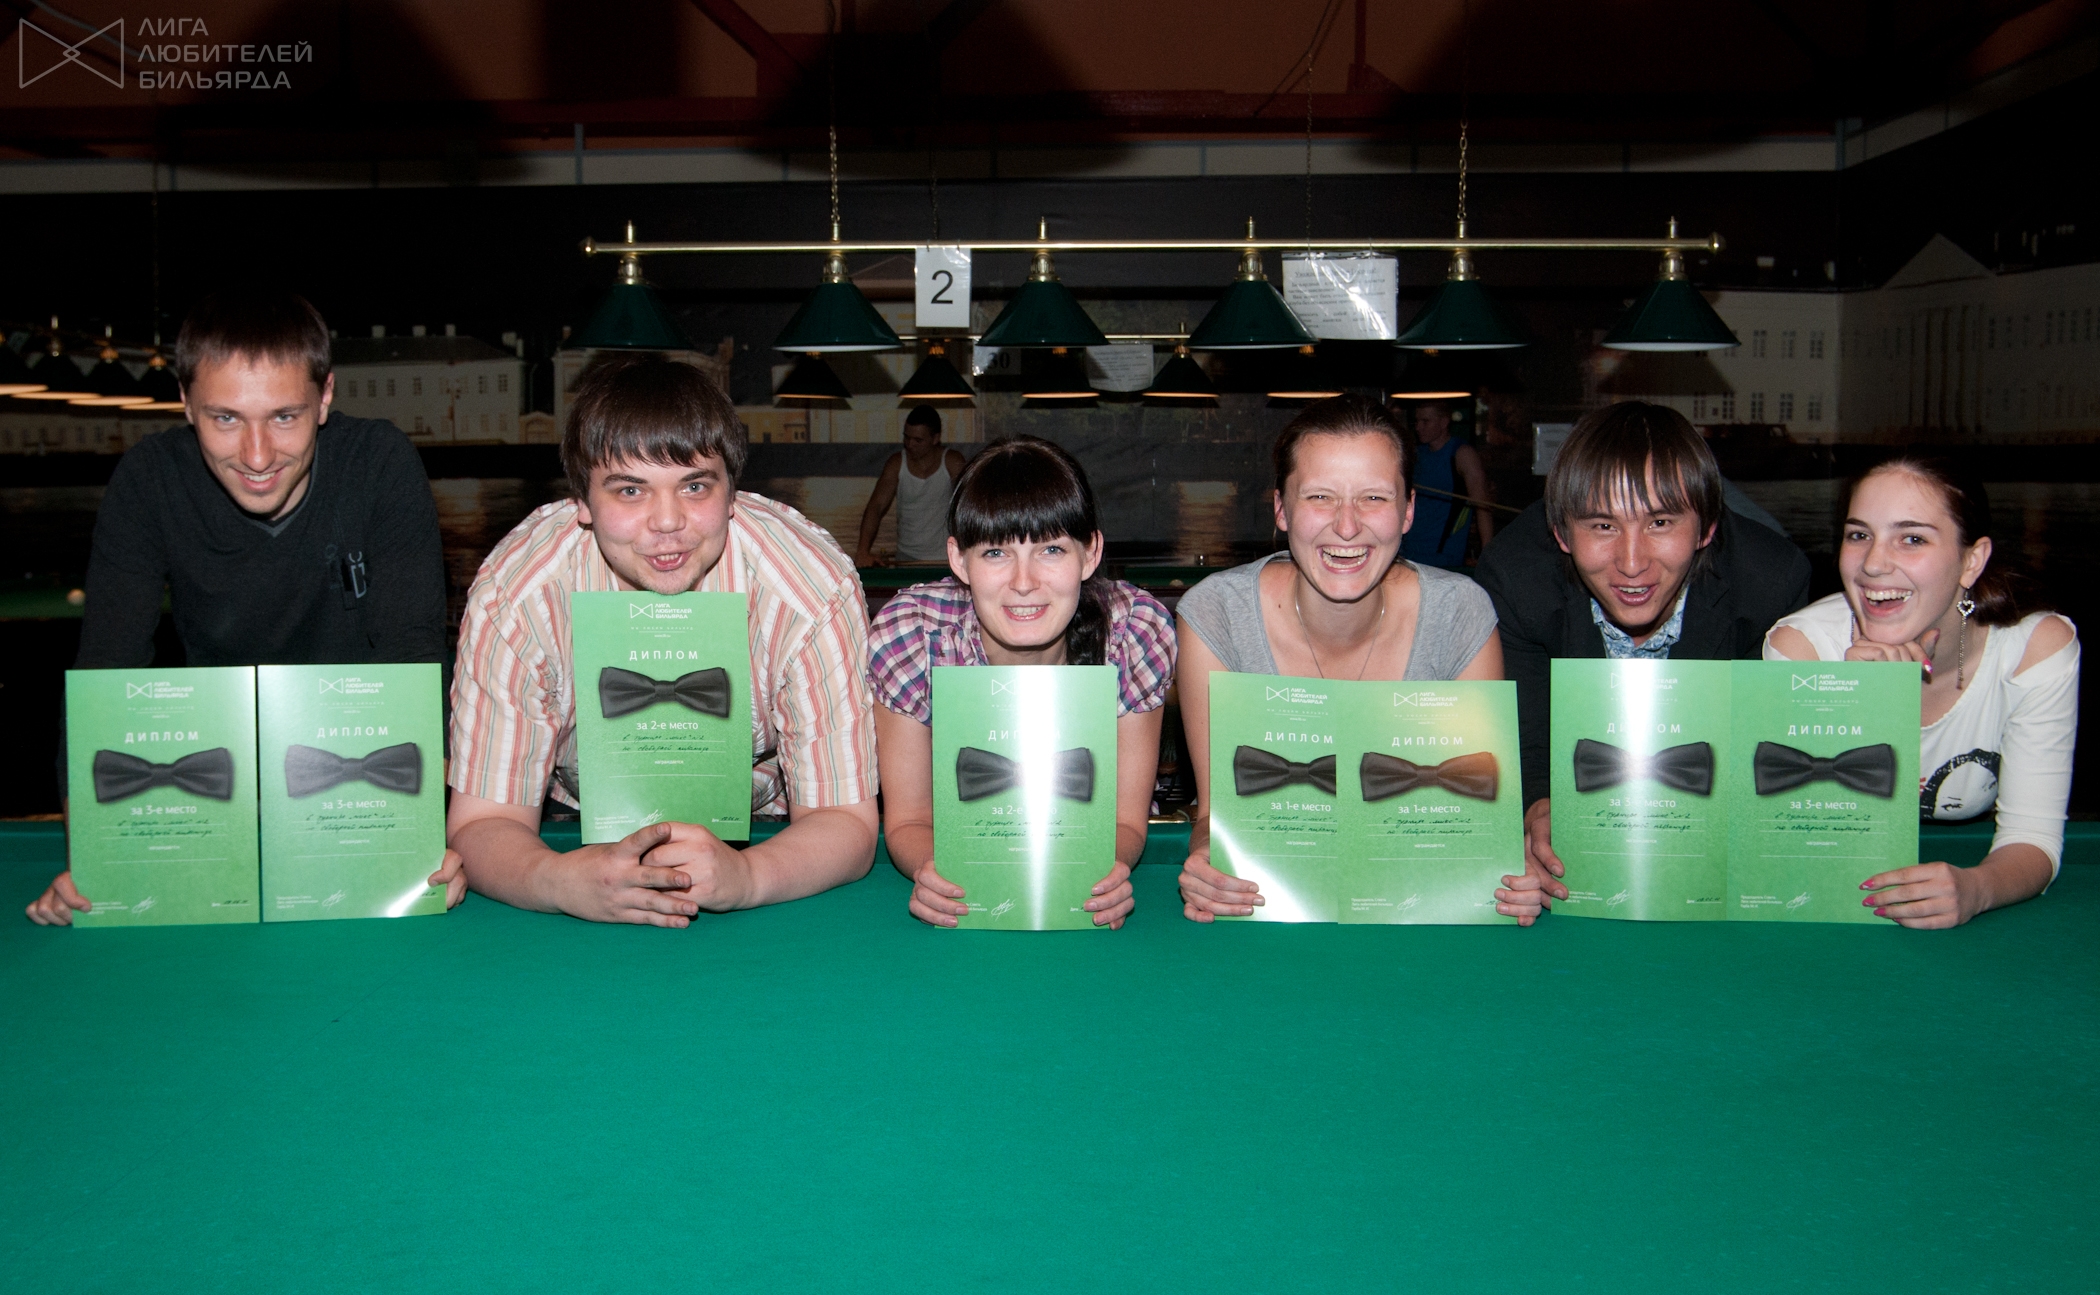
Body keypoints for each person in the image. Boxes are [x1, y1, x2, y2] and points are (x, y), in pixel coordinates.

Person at [28, 289, 460, 925]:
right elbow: (104, 676)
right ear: (185, 403)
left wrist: (423, 841)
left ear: (325, 397)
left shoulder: (378, 463)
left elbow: (415, 659)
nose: (257, 457)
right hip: (208, 790)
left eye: (284, 416)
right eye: (226, 419)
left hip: (356, 795)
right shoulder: (148, 481)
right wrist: (92, 862)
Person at [445, 355, 880, 927]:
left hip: (769, 833)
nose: (667, 522)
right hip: (572, 829)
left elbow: (845, 821)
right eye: (630, 490)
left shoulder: (811, 589)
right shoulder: (517, 596)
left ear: (732, 492)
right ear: (582, 502)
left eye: (694, 485)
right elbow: (482, 821)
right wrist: (557, 880)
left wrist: (750, 876)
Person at [1171, 394, 1515, 922]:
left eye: (1374, 498)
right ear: (1282, 509)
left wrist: (1505, 873)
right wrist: (1207, 859)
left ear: (1408, 510)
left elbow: (1476, 818)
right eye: (1320, 497)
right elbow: (1217, 812)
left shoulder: (1458, 615)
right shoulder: (1218, 615)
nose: (1348, 526)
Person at [1473, 400, 1812, 923]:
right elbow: (1527, 737)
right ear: (1561, 533)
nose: (1632, 563)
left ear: (1706, 528)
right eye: (1602, 526)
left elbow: (1762, 753)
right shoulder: (1515, 581)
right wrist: (1538, 806)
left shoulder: (1770, 582)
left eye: (1660, 521)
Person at [867, 437, 1175, 928]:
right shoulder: (913, 636)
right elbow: (909, 819)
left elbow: (1124, 819)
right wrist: (935, 872)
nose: (1024, 582)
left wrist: (1103, 872)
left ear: (1090, 553)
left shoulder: (1132, 632)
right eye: (995, 552)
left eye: (1051, 549)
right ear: (958, 559)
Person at [1765, 458, 2078, 928]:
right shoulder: (1803, 649)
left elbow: (2033, 834)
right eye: (1859, 535)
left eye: (1912, 539)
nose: (1873, 563)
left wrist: (1977, 889)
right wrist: (1858, 706)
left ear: (1972, 560)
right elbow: (1801, 844)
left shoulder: (2034, 649)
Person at [854, 405, 966, 566]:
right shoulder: (896, 464)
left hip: (945, 559)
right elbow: (875, 507)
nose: (910, 444)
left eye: (918, 440)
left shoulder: (952, 462)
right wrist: (862, 552)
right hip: (906, 558)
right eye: (906, 437)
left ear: (935, 438)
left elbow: (969, 506)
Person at [1397, 400, 1494, 569]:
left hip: (1443, 557)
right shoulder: (1417, 454)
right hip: (1409, 552)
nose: (1418, 427)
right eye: (1417, 421)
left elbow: (1482, 506)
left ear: (1444, 422)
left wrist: (1487, 556)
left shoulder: (1462, 454)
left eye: (1425, 421)